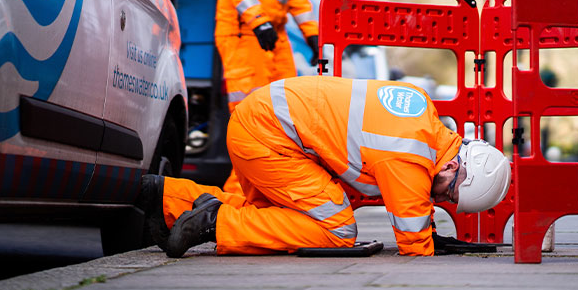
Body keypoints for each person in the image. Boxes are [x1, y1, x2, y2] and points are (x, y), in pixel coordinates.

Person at [141, 76, 511, 257]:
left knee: (274, 215)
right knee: (337, 229)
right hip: (270, 135)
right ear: (451, 167)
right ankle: (212, 223)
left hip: (264, 120)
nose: (442, 200)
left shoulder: (422, 115)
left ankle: (170, 198)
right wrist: (429, 242)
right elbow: (413, 244)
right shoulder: (411, 157)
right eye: (448, 193)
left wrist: (429, 232)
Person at [215, 0, 321, 194]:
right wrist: (258, 20)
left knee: (285, 116)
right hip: (243, 32)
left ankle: (261, 197)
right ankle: (236, 199)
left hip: (272, 33)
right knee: (251, 120)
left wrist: (311, 33)